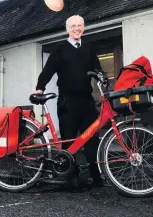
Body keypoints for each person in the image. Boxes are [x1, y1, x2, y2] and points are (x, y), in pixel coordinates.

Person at [34, 15, 104, 187]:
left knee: (92, 139)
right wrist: (39, 88)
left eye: (79, 25)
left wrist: (103, 78)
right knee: (69, 140)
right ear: (67, 29)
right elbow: (48, 70)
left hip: (87, 100)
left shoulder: (88, 48)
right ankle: (70, 178)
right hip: (67, 101)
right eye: (73, 26)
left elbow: (98, 69)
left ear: (84, 28)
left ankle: (96, 177)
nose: (76, 28)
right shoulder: (60, 49)